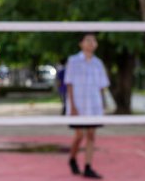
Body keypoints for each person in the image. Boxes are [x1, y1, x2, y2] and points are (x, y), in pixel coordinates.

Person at [64, 32, 110, 179]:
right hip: (79, 103)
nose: (91, 43)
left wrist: (103, 103)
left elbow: (102, 86)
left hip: (94, 104)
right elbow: (69, 84)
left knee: (91, 135)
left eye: (94, 40)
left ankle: (88, 167)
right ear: (81, 43)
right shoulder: (73, 61)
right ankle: (72, 158)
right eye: (88, 40)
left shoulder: (98, 63)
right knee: (80, 134)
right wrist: (72, 106)